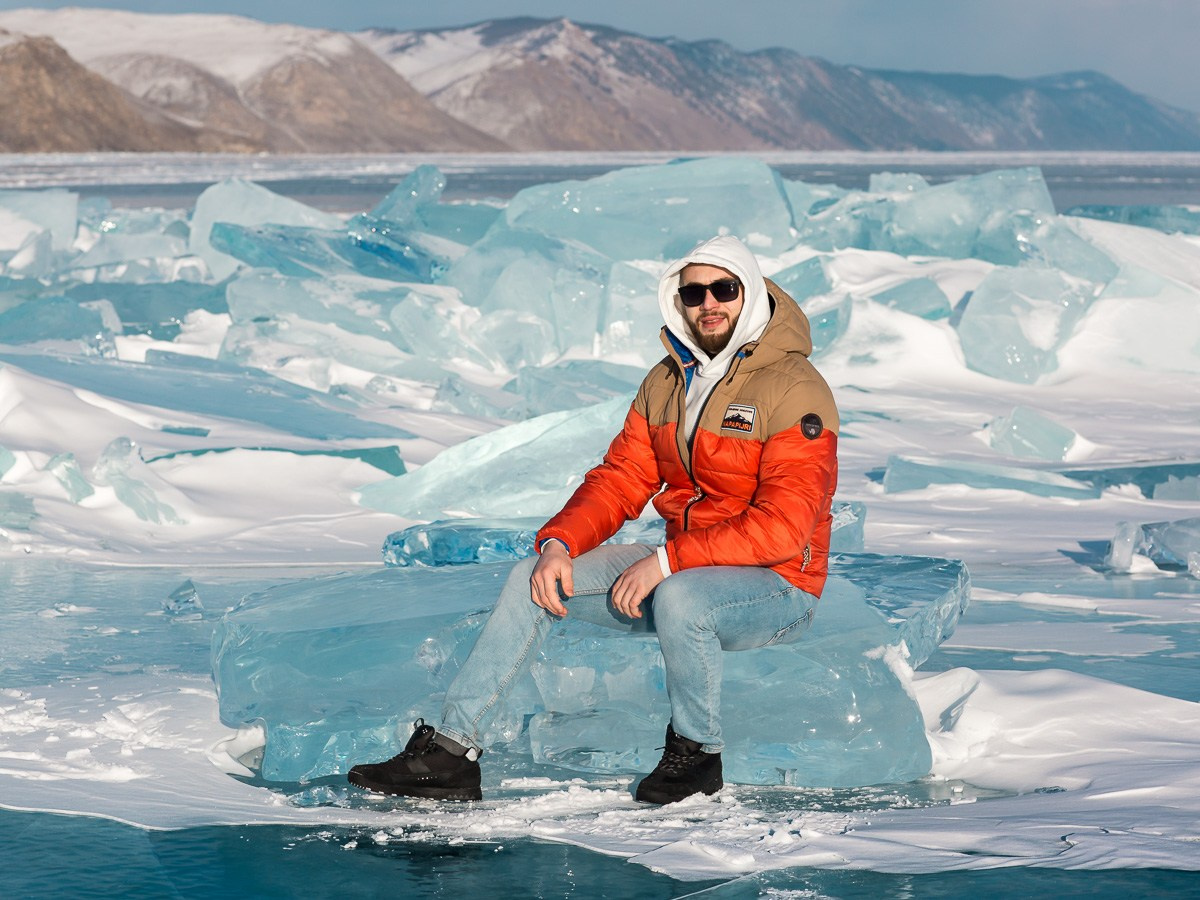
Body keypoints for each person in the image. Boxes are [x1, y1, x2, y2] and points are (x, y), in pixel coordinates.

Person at [348, 235, 839, 804]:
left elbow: (784, 527)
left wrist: (665, 562)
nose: (708, 303)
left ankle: (697, 754)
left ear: (748, 293)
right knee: (534, 580)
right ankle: (453, 753)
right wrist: (560, 542)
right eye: (693, 293)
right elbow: (622, 477)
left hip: (778, 584)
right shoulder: (668, 380)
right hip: (685, 562)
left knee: (683, 597)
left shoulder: (794, 386)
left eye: (723, 289)